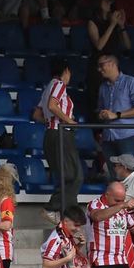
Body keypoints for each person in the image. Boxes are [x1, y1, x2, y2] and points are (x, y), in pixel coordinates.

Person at [42, 59, 81, 219]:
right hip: (61, 133)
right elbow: (52, 105)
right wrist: (69, 120)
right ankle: (52, 208)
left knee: (68, 175)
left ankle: (69, 215)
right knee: (75, 176)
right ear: (66, 71)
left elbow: (38, 114)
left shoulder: (47, 88)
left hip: (50, 133)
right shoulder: (58, 85)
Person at [93, 54, 134, 169]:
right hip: (108, 137)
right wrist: (102, 115)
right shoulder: (103, 88)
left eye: (101, 65)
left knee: (128, 175)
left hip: (127, 135)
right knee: (113, 176)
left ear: (112, 63)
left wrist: (116, 115)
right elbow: (99, 111)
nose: (99, 69)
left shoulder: (132, 82)